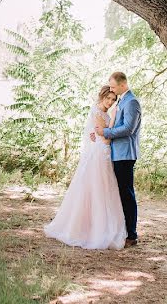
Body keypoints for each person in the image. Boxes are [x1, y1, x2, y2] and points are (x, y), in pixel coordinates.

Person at [43, 86, 127, 249]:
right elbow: (106, 140)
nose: (110, 102)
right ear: (101, 96)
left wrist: (105, 130)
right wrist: (113, 120)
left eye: (113, 100)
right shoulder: (98, 112)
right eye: (108, 98)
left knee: (102, 191)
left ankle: (95, 227)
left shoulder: (103, 112)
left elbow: (100, 134)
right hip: (99, 155)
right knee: (95, 191)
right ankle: (89, 230)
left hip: (101, 153)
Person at [94, 71, 141, 246]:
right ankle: (123, 230)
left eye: (113, 86)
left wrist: (105, 132)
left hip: (125, 154)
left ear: (123, 84)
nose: (111, 89)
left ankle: (132, 235)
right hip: (117, 153)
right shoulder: (122, 100)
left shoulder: (132, 102)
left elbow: (128, 129)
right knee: (120, 193)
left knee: (127, 194)